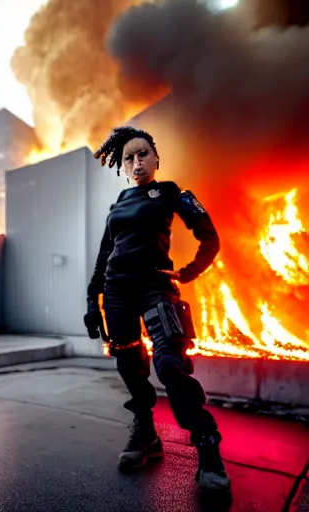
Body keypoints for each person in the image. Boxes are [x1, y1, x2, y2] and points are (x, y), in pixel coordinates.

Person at [84, 125, 231, 492]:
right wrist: (92, 300)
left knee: (169, 363)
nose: (136, 162)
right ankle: (147, 436)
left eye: (143, 154)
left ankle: (207, 445)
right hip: (117, 293)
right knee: (131, 367)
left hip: (155, 288)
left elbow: (209, 237)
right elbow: (104, 257)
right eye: (128, 158)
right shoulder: (117, 203)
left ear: (156, 158)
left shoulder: (170, 193)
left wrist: (186, 273)